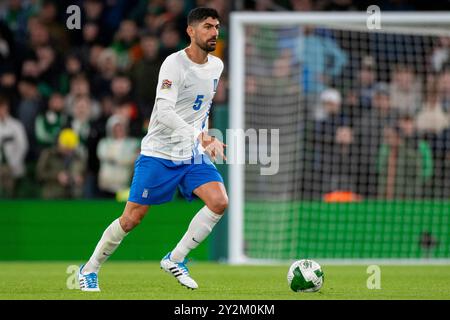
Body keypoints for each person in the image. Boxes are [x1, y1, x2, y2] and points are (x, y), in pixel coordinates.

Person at [78, 7, 227, 292]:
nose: (214, 32)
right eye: (207, 27)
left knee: (219, 201)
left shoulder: (216, 66)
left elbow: (203, 108)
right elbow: (166, 112)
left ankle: (176, 258)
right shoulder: (173, 64)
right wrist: (201, 137)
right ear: (191, 31)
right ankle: (89, 269)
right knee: (132, 218)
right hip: (159, 153)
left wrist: (203, 136)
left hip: (191, 151)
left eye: (216, 27)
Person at [36, 128, 86, 199]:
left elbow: (84, 174)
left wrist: (79, 178)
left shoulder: (78, 157)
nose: (68, 151)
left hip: (72, 198)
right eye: (66, 147)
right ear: (59, 143)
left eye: (71, 148)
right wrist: (57, 176)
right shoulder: (48, 154)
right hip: (52, 197)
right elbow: (40, 174)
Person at [0, 96, 28, 197]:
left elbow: (23, 146)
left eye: (2, 107)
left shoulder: (16, 125)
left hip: (13, 166)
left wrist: (13, 164)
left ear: (6, 108)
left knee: (11, 196)